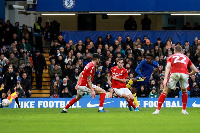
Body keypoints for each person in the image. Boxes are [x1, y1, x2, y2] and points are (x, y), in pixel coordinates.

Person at [152, 46, 199, 115]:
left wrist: (165, 79)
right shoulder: (186, 57)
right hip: (184, 74)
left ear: (174, 51)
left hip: (175, 73)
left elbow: (168, 67)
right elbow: (195, 70)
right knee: (184, 91)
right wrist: (189, 74)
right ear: (181, 51)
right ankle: (184, 110)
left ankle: (157, 110)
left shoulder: (171, 57)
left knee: (165, 91)